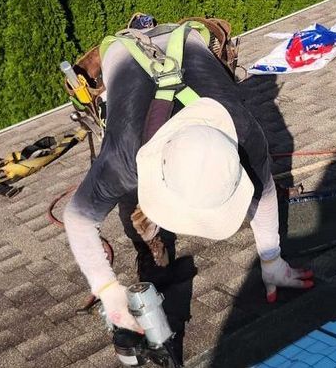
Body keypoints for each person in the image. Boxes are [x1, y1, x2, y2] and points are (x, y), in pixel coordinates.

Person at [63, 22, 314, 334]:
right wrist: (108, 290)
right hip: (123, 54)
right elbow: (78, 219)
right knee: (130, 196)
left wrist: (272, 260)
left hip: (185, 40)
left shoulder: (243, 133)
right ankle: (148, 245)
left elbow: (262, 192)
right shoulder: (124, 159)